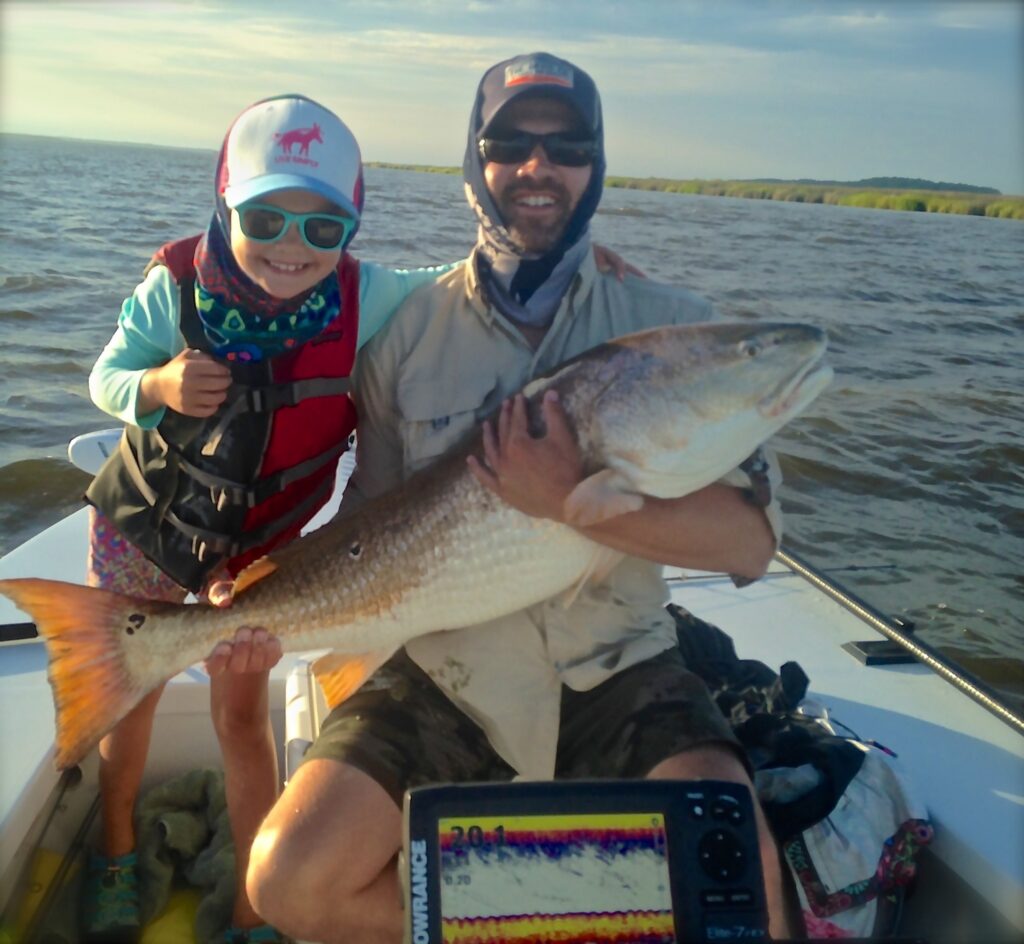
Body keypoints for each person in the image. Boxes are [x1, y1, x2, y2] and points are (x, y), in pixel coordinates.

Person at [246, 55, 798, 942]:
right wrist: (252, 611)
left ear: (596, 163)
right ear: (477, 160)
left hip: (620, 665)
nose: (539, 167)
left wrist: (576, 498)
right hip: (445, 671)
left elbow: (748, 549)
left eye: (567, 145)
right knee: (289, 880)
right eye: (510, 143)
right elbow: (373, 528)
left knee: (746, 885)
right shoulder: (406, 337)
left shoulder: (669, 328)